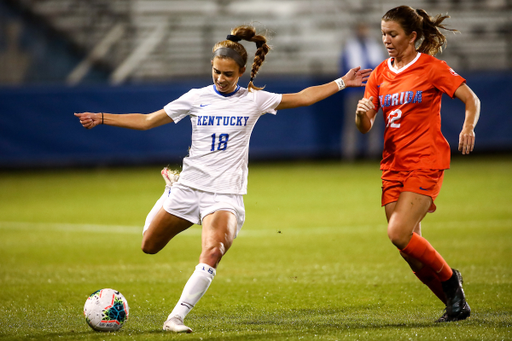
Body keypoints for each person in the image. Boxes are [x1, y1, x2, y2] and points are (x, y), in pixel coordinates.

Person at [75, 25, 371, 333]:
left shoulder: (253, 100)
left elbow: (303, 98)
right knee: (148, 245)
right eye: (216, 71)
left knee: (213, 251)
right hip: (189, 188)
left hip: (224, 196)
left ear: (241, 72)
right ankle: (169, 191)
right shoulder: (195, 98)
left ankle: (175, 317)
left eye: (228, 74)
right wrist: (102, 117)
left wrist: (341, 82)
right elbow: (149, 120)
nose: (220, 78)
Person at [355, 6, 480, 322]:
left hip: (425, 161)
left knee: (398, 233)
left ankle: (451, 280)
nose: (386, 40)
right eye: (384, 33)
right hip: (393, 165)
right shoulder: (381, 73)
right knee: (410, 252)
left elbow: (471, 99)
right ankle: (456, 306)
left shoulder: (431, 68)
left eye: (392, 34)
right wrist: (361, 113)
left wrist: (467, 127)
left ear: (412, 36)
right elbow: (366, 125)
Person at [340, 22, 385, 160]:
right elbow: (345, 69)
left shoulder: (374, 46)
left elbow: (380, 68)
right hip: (354, 92)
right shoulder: (350, 47)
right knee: (352, 123)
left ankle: (373, 153)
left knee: (373, 122)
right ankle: (349, 155)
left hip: (372, 90)